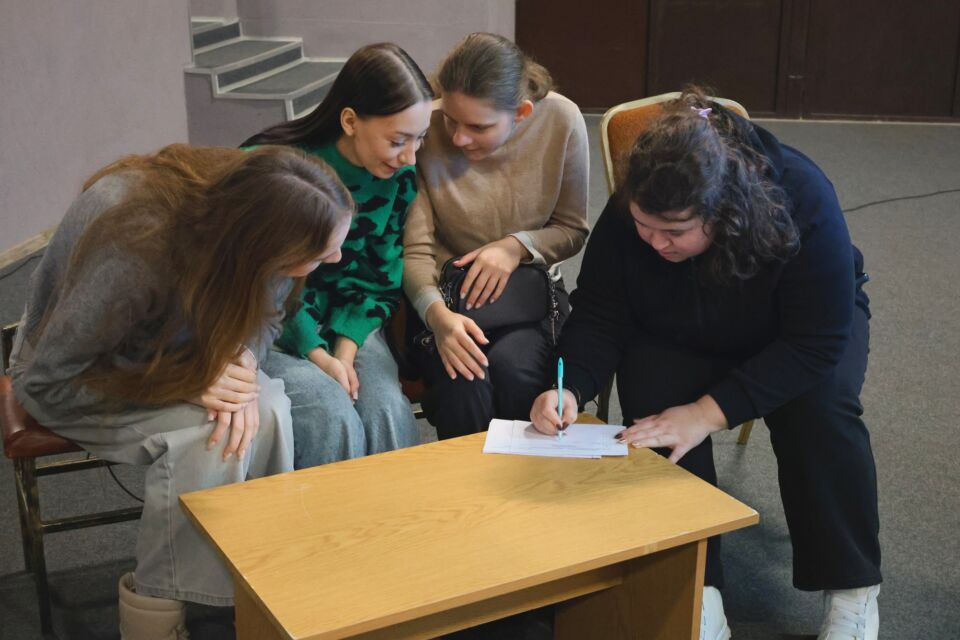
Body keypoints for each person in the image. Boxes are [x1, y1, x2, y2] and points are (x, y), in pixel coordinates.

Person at [529, 88, 881, 640]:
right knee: (651, 407)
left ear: (724, 211)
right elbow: (601, 311)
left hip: (794, 332)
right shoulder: (635, 207)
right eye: (645, 226)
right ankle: (696, 588)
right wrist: (570, 385)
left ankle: (851, 588)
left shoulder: (801, 195)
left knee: (821, 411)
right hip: (678, 328)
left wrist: (706, 413)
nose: (655, 242)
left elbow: (817, 341)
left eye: (674, 231)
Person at [8, 144, 354, 638]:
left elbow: (268, 316)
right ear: (264, 246)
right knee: (210, 437)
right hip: (74, 372)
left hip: (177, 349)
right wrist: (186, 380)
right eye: (321, 254)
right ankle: (157, 614)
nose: (336, 258)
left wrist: (243, 357)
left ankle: (256, 586)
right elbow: (52, 379)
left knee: (269, 407)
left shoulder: (259, 217)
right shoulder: (133, 245)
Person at [243, 43, 432, 467]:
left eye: (420, 139)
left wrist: (345, 352)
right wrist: (317, 352)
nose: (410, 157)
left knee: (386, 410)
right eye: (398, 140)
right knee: (330, 414)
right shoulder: (274, 169)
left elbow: (380, 279)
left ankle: (398, 513)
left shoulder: (400, 176)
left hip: (352, 323)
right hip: (270, 324)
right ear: (349, 121)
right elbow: (261, 285)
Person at [403, 32, 590, 439]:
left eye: (478, 126)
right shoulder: (425, 127)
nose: (458, 137)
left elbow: (573, 229)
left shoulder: (561, 120)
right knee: (464, 386)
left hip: (528, 298)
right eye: (451, 119)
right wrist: (439, 319)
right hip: (445, 300)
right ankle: (466, 483)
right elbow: (415, 252)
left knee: (518, 374)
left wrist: (516, 247)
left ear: (521, 113)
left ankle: (528, 479)